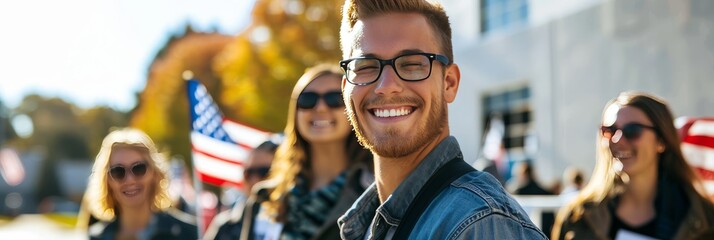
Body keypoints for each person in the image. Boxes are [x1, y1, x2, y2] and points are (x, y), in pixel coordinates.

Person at [336, 1, 547, 239]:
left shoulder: (481, 224)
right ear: (346, 89)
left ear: (449, 82)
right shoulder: (366, 222)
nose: (386, 87)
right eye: (365, 66)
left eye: (412, 64)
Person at [552, 92, 714, 240]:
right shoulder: (578, 216)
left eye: (632, 130)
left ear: (661, 141)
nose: (617, 140)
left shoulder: (703, 219)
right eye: (609, 130)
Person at [238, 63, 373, 240]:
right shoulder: (264, 197)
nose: (321, 108)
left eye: (334, 99)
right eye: (308, 100)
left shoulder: (374, 195)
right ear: (295, 113)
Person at [85, 128, 198, 240]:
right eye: (118, 171)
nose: (130, 179)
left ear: (154, 173)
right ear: (107, 180)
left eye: (139, 168)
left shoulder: (188, 233)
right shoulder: (96, 237)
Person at [203, 140, 278, 240]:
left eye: (264, 172)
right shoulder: (225, 226)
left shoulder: (297, 221)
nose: (254, 180)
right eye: (248, 173)